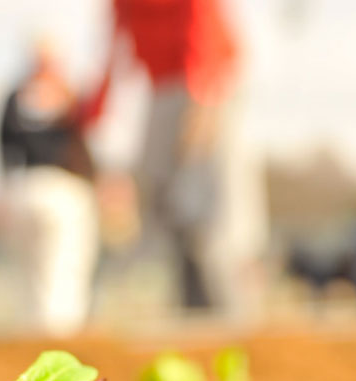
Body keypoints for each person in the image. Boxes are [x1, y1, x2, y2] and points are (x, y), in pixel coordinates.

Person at [103, 0, 267, 315]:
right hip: (162, 85)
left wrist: (203, 102)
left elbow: (203, 30)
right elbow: (116, 51)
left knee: (213, 206)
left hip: (212, 82)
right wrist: (95, 117)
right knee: (160, 197)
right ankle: (188, 309)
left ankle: (234, 312)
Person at [0, 39, 109, 335]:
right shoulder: (67, 96)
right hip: (64, 190)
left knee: (32, 273)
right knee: (65, 267)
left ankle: (36, 335)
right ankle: (61, 339)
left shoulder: (13, 98)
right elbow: (86, 139)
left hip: (24, 189)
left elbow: (3, 151)